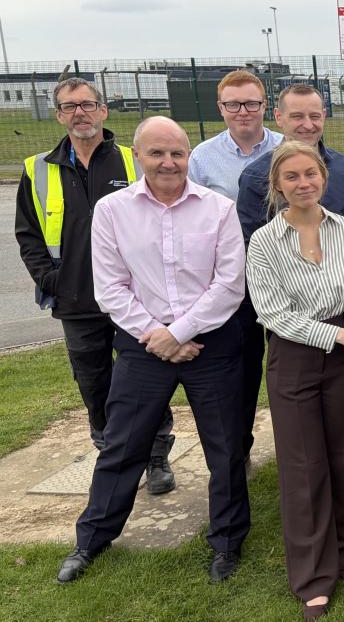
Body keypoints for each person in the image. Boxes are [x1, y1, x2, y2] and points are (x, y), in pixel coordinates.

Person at [57, 116, 250, 584]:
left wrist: (179, 331)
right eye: (157, 153)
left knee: (225, 449)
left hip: (214, 341)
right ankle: (92, 540)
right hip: (144, 345)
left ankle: (226, 542)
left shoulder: (219, 209)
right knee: (122, 444)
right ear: (138, 156)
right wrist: (158, 337)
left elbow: (228, 285)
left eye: (177, 153)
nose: (168, 162)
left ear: (189, 156)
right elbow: (111, 287)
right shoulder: (112, 210)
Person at [14, 77, 176, 495]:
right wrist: (50, 279)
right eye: (69, 107)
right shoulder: (38, 170)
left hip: (135, 299)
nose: (79, 113)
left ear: (103, 111)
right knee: (94, 381)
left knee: (144, 378)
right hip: (76, 301)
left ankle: (157, 457)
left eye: (87, 104)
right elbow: (29, 235)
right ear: (59, 115)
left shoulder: (132, 159)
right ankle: (110, 453)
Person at [246, 141, 344, 621]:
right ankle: (312, 576)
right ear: (277, 186)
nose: (303, 184)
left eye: (311, 174)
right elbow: (274, 315)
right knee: (304, 465)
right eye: (292, 177)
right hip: (296, 357)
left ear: (323, 177)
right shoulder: (264, 242)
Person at [236, 83, 344, 497]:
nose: (307, 123)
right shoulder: (255, 176)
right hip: (291, 319)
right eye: (297, 116)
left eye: (314, 115)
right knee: (300, 425)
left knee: (342, 419)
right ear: (279, 118)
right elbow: (250, 246)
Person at [189, 70, 284, 200]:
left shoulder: (285, 147)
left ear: (264, 106)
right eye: (233, 105)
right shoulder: (201, 157)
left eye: (251, 104)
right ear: (221, 108)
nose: (243, 112)